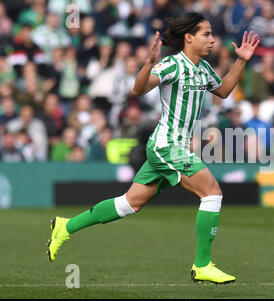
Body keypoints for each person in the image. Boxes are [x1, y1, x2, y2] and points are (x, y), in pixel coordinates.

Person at [46, 13, 260, 285]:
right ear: (189, 38)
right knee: (212, 193)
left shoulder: (203, 69)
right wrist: (148, 64)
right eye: (206, 34)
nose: (212, 39)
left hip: (173, 148)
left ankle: (65, 226)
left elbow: (225, 90)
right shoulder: (171, 65)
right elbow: (138, 89)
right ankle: (202, 264)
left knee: (128, 204)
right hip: (166, 146)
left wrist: (242, 60)